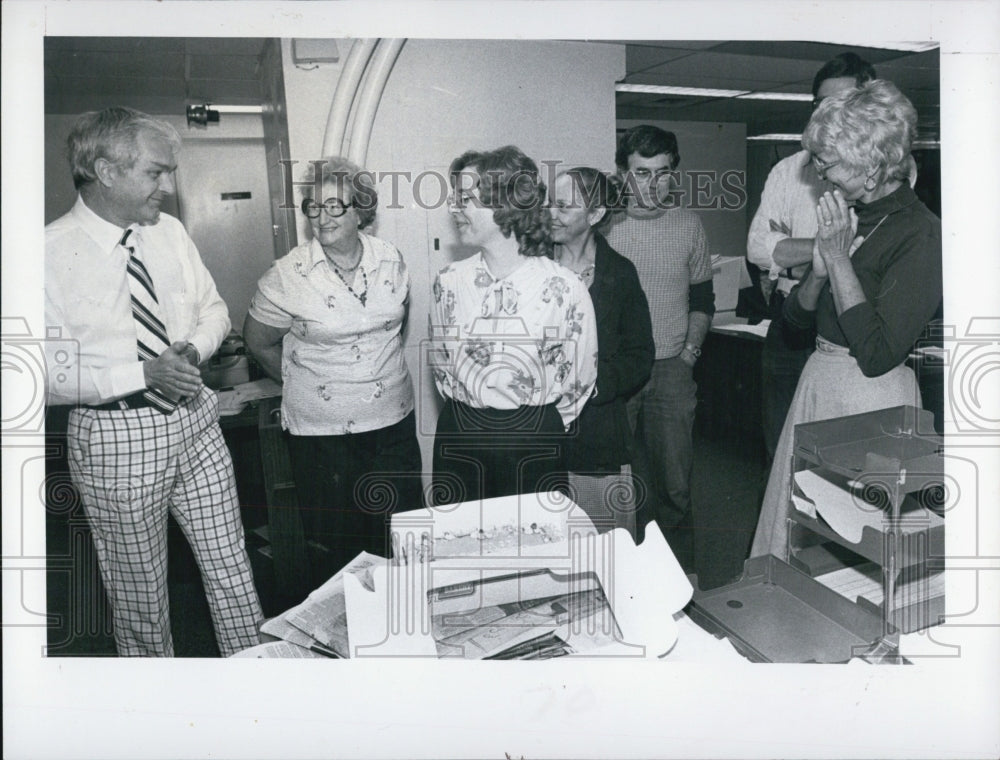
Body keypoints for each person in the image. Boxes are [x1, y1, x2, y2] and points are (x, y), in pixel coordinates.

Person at [44, 107, 263, 657]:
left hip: (196, 419)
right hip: (116, 439)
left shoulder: (170, 233)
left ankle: (264, 682)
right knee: (140, 595)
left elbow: (213, 309)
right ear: (105, 171)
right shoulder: (43, 253)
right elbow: (43, 374)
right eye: (155, 173)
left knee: (233, 568)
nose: (168, 187)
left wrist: (195, 346)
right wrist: (142, 373)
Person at [751, 80, 942, 560]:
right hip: (821, 381)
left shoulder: (921, 235)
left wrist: (836, 259)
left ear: (872, 165)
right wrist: (819, 270)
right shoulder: (850, 215)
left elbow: (878, 354)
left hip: (871, 400)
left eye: (828, 162)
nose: (818, 172)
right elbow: (795, 323)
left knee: (855, 545)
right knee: (799, 529)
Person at [244, 156, 423, 591]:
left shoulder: (391, 258)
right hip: (323, 439)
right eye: (313, 207)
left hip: (393, 425)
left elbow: (392, 327)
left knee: (404, 540)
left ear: (362, 210)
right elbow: (257, 341)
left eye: (335, 207)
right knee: (341, 553)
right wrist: (311, 386)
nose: (321, 218)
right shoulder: (288, 274)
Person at [429, 146, 598, 505]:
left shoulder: (565, 288)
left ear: (505, 204)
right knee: (460, 550)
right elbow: (441, 369)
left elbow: (579, 380)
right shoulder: (448, 282)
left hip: (533, 440)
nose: (454, 209)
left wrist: (531, 423)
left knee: (533, 553)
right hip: (461, 435)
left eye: (465, 198)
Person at [747, 53, 877, 463]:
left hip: (847, 322)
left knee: (839, 456)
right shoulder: (791, 168)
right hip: (791, 316)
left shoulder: (884, 172)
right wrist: (831, 246)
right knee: (781, 451)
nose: (831, 114)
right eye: (822, 104)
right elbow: (756, 247)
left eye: (844, 103)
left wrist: (789, 247)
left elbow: (867, 252)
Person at [606, 126, 715, 568]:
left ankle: (680, 580)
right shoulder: (604, 226)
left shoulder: (689, 225)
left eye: (663, 173)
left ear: (675, 173)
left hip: (672, 370)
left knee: (675, 485)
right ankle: (621, 577)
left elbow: (703, 300)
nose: (653, 184)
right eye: (641, 173)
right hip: (617, 376)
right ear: (622, 174)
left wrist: (690, 353)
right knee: (616, 484)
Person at [549, 167, 654, 537]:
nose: (551, 213)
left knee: (602, 545)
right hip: (539, 432)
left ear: (594, 215)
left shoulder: (620, 274)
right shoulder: (532, 268)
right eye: (550, 203)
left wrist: (592, 386)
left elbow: (640, 354)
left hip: (596, 431)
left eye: (564, 206)